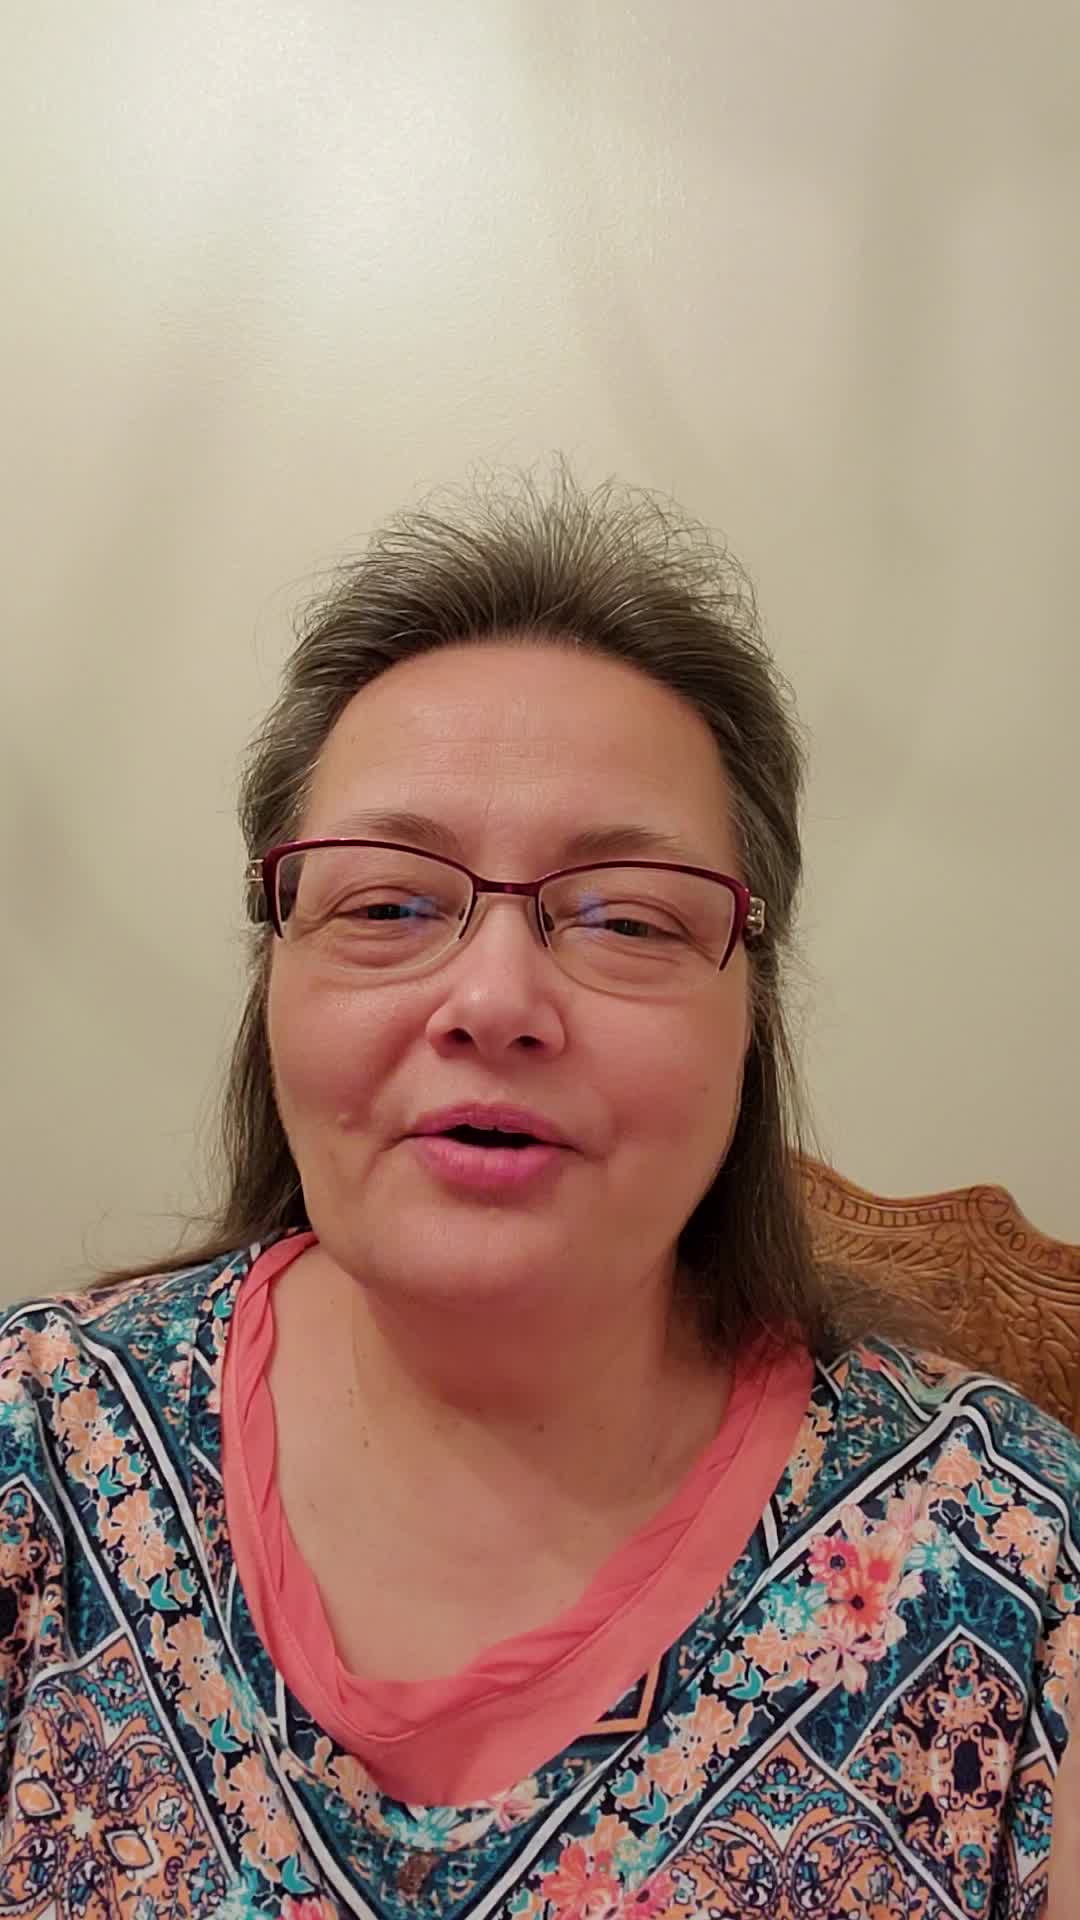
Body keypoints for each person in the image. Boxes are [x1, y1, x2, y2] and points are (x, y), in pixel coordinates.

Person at [1, 468, 1076, 1920]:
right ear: (274, 980)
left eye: (626, 917)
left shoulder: (1015, 1558)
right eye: (388, 903)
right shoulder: (38, 1445)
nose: (496, 1001)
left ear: (752, 1023)